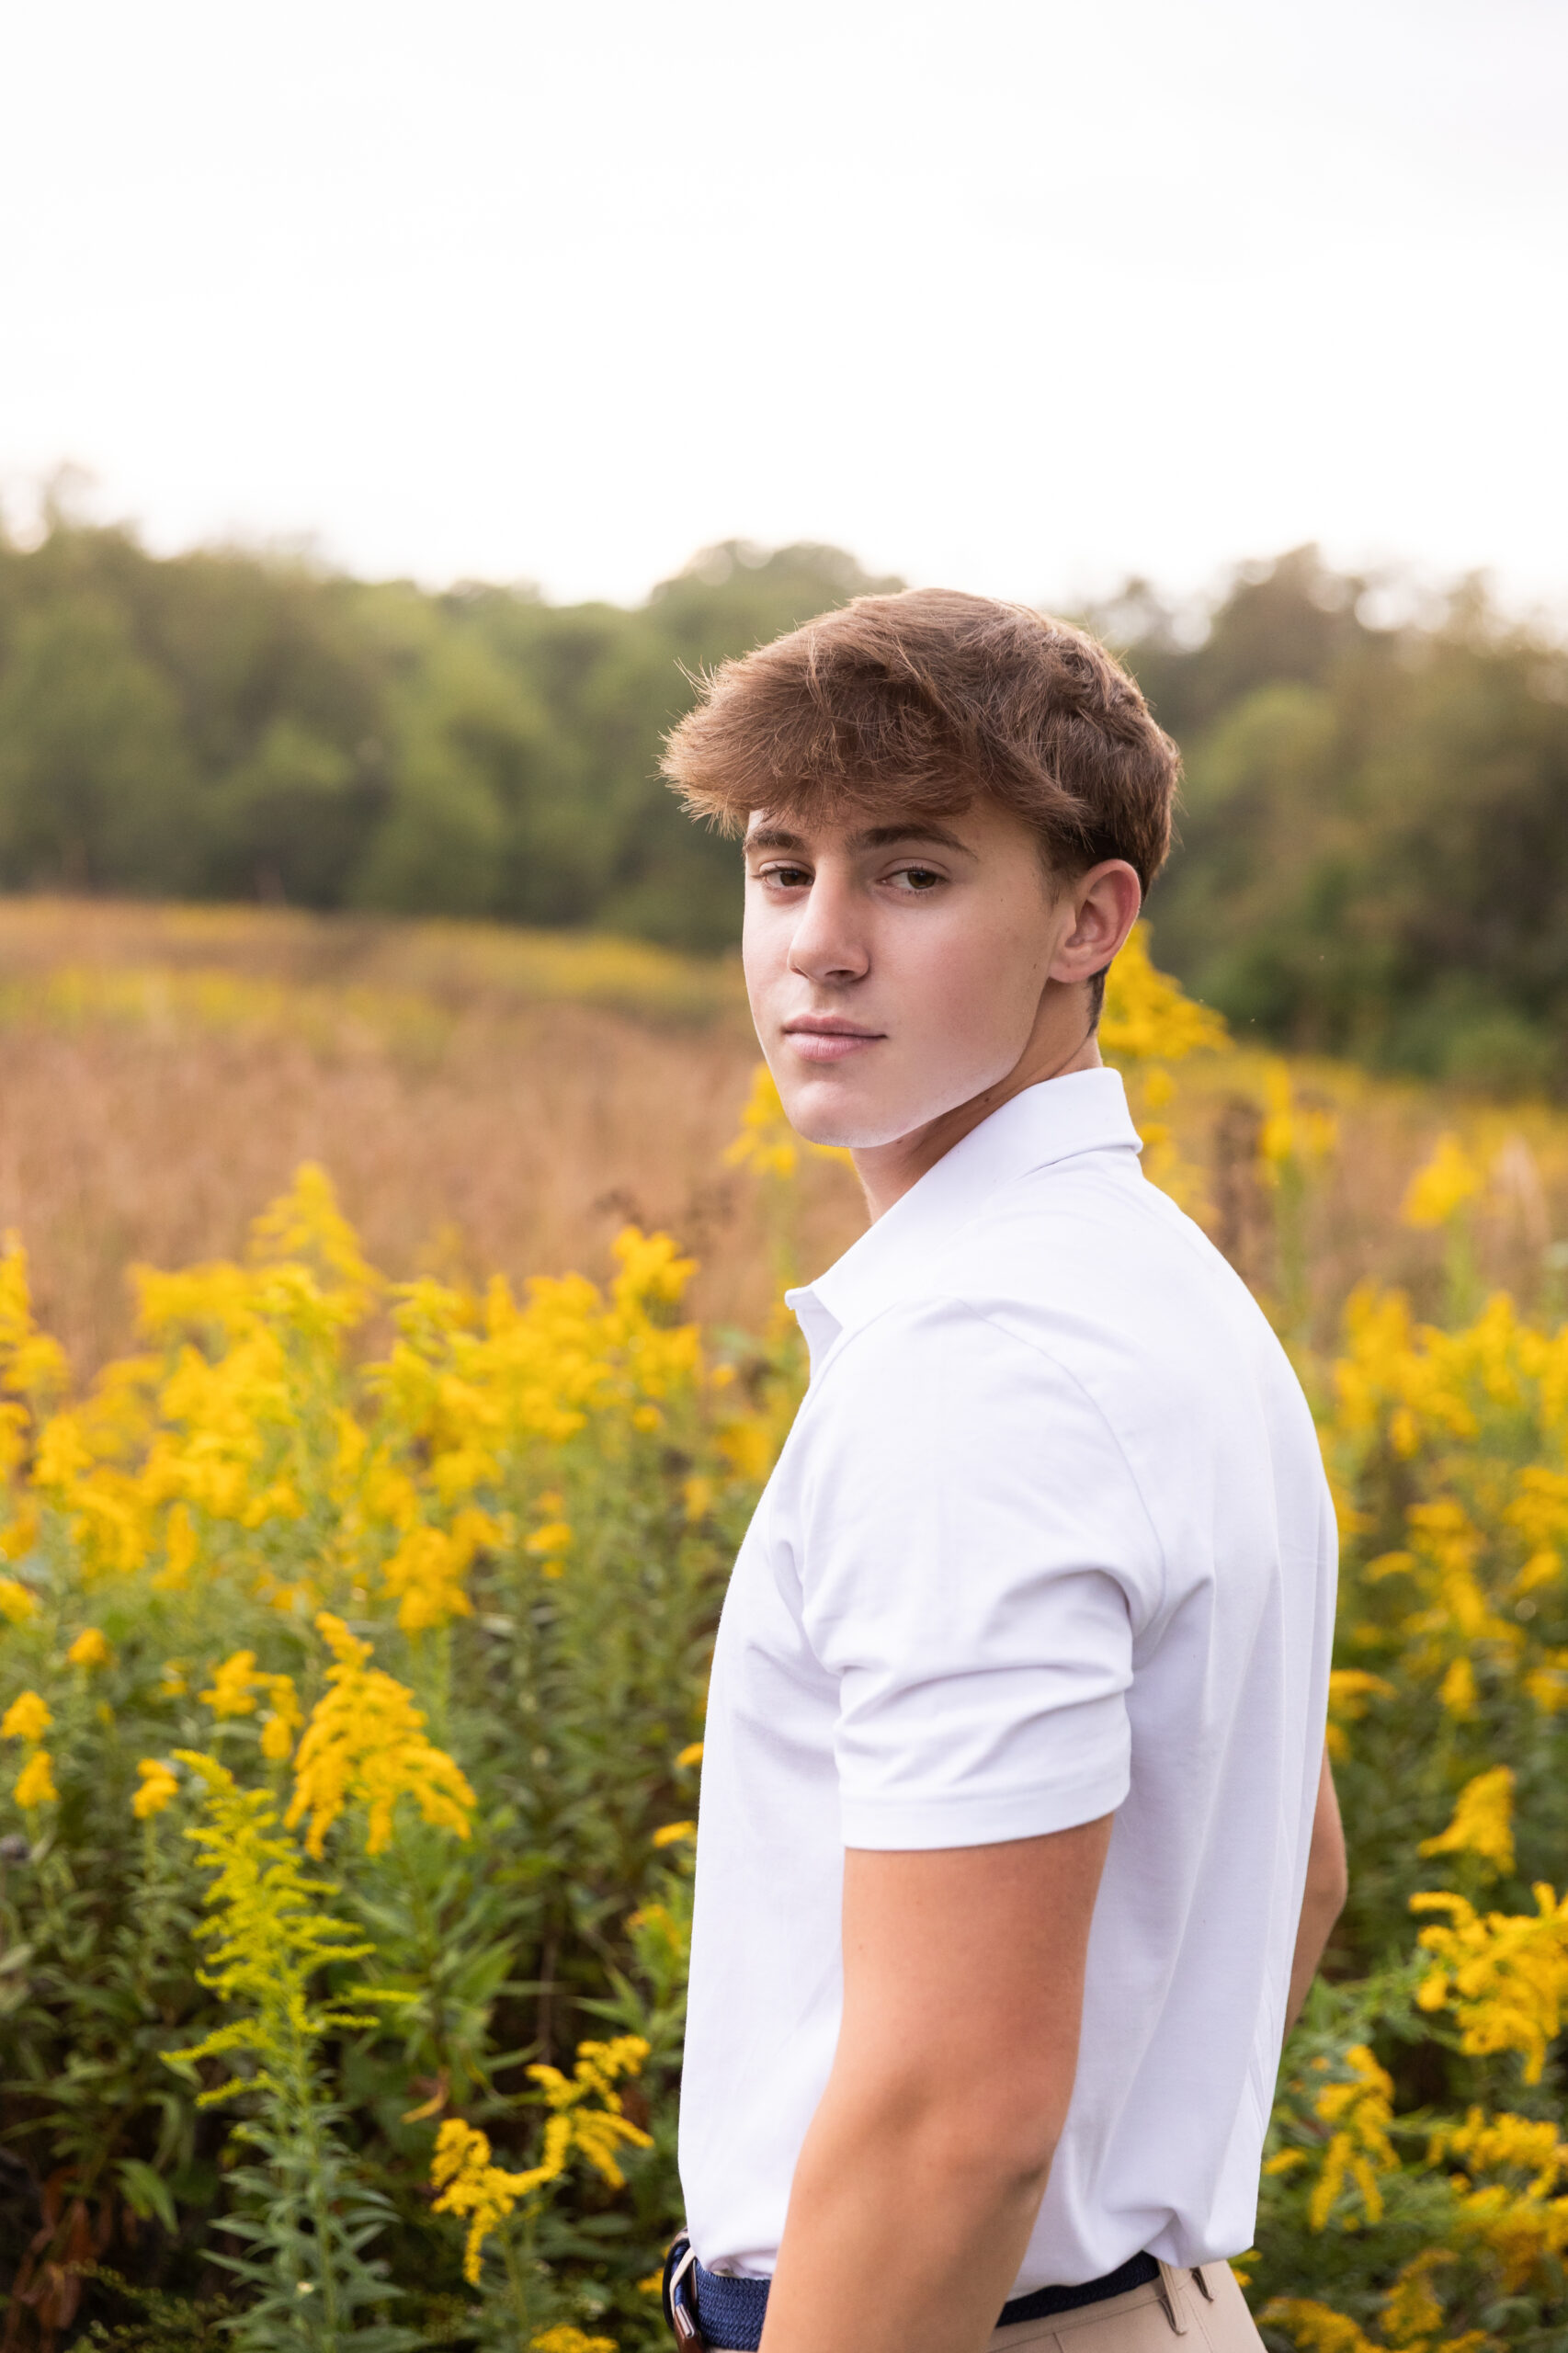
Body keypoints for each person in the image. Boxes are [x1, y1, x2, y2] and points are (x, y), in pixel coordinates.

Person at [657, 590, 1346, 2353]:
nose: (817, 943)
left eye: (908, 875)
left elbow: (955, 2119)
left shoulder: (985, 1372)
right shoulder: (1158, 1287)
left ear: (1085, 919)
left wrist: (1040, 2237)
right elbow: (1300, 1868)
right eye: (778, 866)